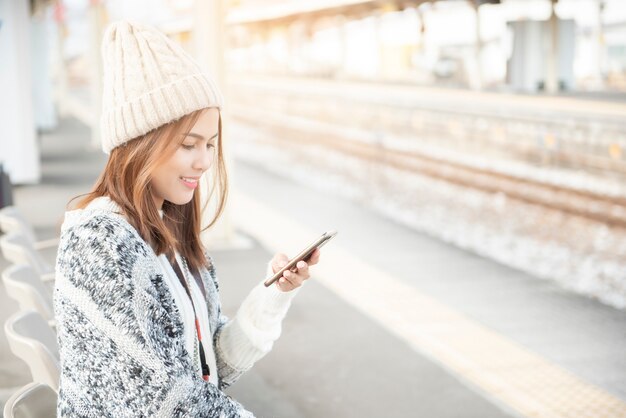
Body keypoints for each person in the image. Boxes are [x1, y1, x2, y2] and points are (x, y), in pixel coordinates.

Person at [53, 20, 321, 417]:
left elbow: (209, 367)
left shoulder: (164, 231)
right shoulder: (100, 243)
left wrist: (273, 296)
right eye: (188, 144)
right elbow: (164, 400)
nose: (204, 161)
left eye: (210, 144)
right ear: (139, 143)